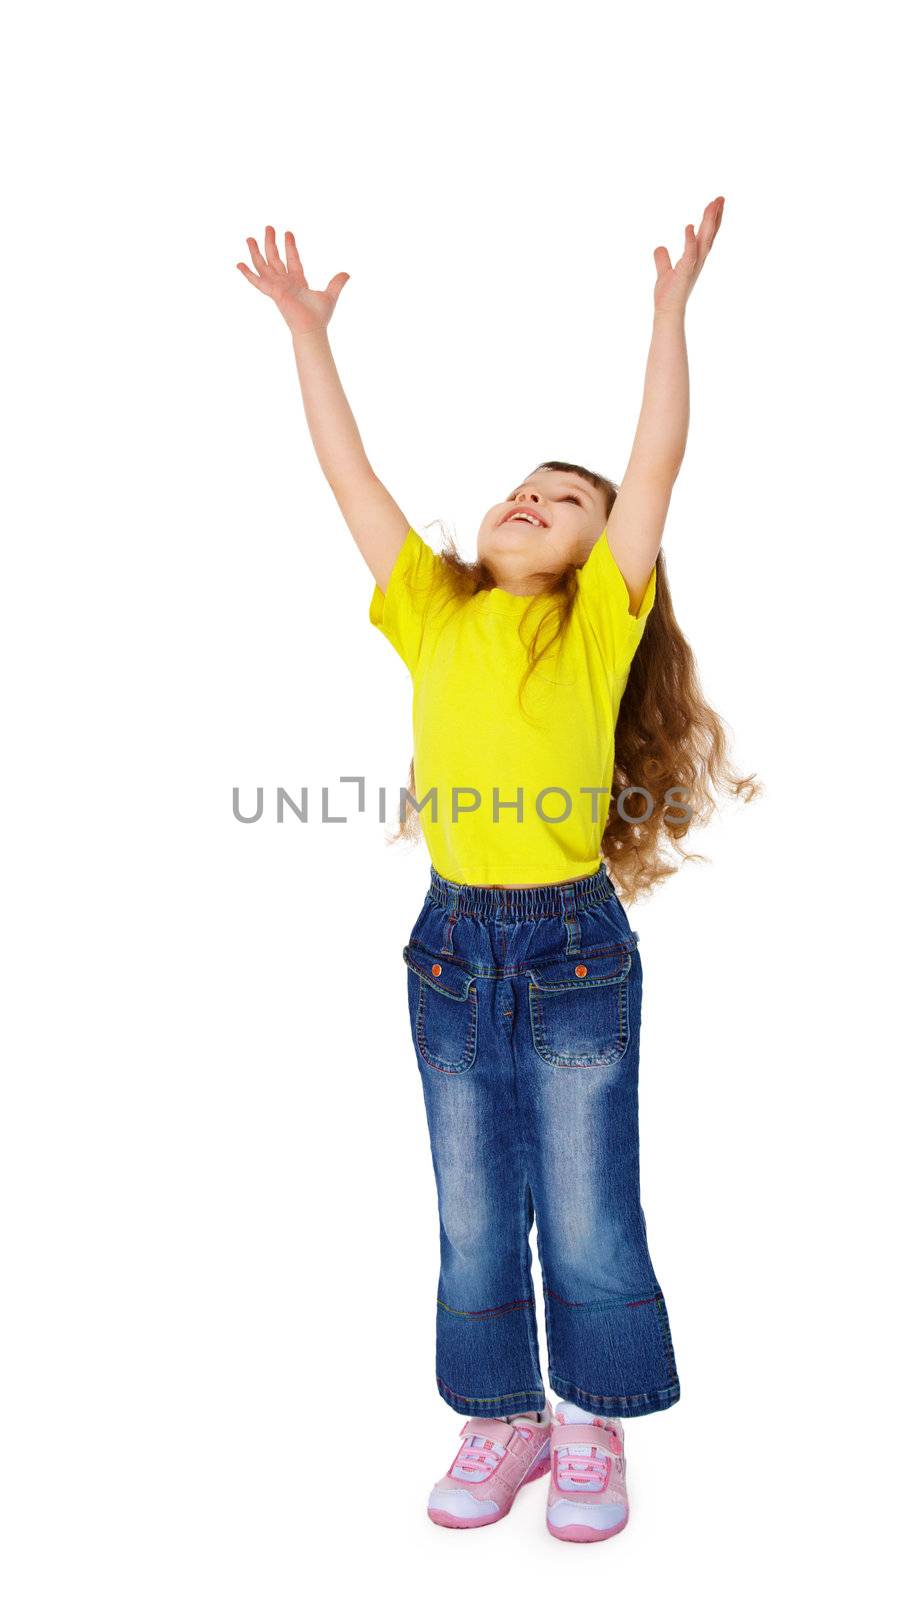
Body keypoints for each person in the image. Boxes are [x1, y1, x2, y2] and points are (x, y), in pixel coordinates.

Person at [236, 197, 757, 1542]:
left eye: (567, 499)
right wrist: (307, 336)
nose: (537, 497)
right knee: (472, 1209)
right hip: (447, 949)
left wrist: (667, 318)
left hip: (574, 949)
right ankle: (502, 1418)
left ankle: (589, 1424)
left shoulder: (593, 628)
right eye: (524, 487)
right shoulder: (432, 607)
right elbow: (350, 480)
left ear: (600, 552)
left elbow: (654, 463)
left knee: (583, 1208)